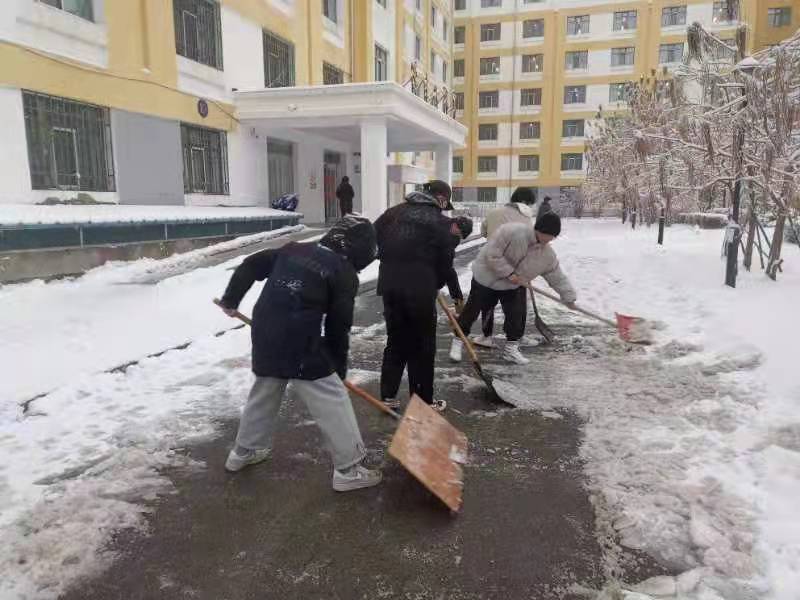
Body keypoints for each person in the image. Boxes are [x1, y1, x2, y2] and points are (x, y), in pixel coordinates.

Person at [217, 215, 382, 492]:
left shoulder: (294, 249)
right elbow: (338, 327)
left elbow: (251, 264)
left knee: (265, 390)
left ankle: (242, 453)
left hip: (265, 333)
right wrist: (337, 370)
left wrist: (231, 299)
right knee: (332, 397)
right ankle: (349, 470)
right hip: (299, 341)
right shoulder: (343, 272)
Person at [449, 213, 576, 365]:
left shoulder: (546, 254)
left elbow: (556, 275)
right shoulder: (511, 232)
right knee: (472, 311)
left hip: (512, 285)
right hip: (486, 278)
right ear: (540, 229)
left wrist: (568, 296)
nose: (550, 239)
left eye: (553, 236)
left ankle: (511, 348)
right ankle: (458, 341)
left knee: (516, 314)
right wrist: (509, 273)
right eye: (549, 234)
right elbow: (492, 254)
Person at [374, 180, 455, 412]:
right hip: (420, 290)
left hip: (390, 286)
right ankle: (422, 401)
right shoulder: (441, 222)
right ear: (441, 198)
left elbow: (373, 239)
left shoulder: (392, 213)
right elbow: (445, 263)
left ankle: (388, 397)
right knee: (422, 346)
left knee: (396, 340)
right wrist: (435, 283)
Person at [474, 187, 536, 348]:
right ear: (525, 202)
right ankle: (516, 337)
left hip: (491, 265)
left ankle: (486, 336)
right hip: (514, 268)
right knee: (516, 306)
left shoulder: (494, 213)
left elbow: (484, 232)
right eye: (530, 203)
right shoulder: (526, 217)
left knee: (488, 303)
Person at [445, 216, 474, 315]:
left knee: (451, 275)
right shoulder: (440, 224)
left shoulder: (455, 238)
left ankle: (459, 305)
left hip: (440, 259)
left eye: (460, 236)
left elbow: (448, 255)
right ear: (455, 225)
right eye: (459, 233)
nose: (459, 236)